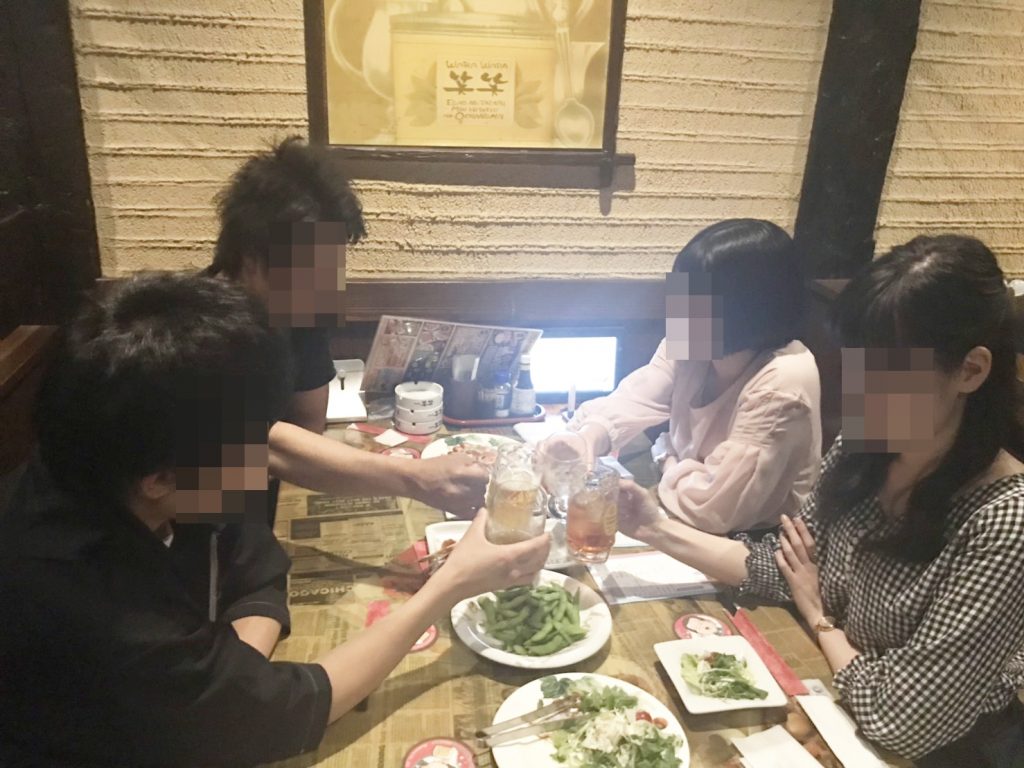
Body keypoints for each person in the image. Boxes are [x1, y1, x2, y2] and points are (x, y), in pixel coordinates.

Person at [0, 273, 549, 767]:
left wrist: (232, 670)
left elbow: (256, 567)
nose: (262, 459)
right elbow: (286, 712)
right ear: (160, 477)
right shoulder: (92, 601)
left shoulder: (122, 453)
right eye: (248, 442)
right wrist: (450, 585)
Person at [614, 235, 1024, 766]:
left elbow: (904, 721)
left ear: (971, 370)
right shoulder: (866, 449)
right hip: (836, 700)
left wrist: (818, 615)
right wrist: (652, 527)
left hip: (942, 753)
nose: (860, 390)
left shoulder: (1003, 518)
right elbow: (780, 566)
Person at [207, 136, 488, 521]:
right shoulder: (193, 335)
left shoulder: (302, 311)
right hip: (200, 525)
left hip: (267, 506)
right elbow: (254, 444)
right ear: (250, 258)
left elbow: (307, 425)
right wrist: (415, 477)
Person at [567, 219, 821, 534]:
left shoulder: (783, 381)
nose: (675, 310)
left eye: (693, 299)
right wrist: (587, 437)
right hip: (678, 514)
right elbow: (637, 396)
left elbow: (715, 509)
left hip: (753, 545)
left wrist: (666, 458)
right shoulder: (694, 343)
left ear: (747, 306)